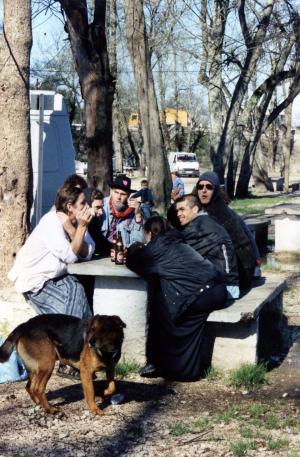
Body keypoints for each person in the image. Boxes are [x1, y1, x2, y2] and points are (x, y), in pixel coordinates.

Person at [126, 216, 227, 381]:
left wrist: (134, 249)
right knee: (169, 311)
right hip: (218, 288)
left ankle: (183, 371)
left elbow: (135, 262)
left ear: (149, 233)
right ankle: (170, 366)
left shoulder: (157, 248)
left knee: (167, 317)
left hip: (202, 294)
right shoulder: (177, 241)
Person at [8, 185, 95, 318]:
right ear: (70, 207)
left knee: (79, 290)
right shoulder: (51, 222)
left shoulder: (75, 222)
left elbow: (88, 252)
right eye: (83, 203)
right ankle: (73, 334)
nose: (87, 206)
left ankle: (80, 332)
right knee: (75, 296)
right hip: (37, 281)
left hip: (57, 277)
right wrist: (81, 229)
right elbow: (70, 257)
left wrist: (72, 230)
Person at [194, 171, 259, 289]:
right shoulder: (201, 208)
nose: (204, 190)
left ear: (216, 190)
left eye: (209, 187)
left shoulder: (221, 213)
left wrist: (256, 267)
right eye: (200, 186)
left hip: (238, 273)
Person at [175, 194, 240, 299]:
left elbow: (176, 250)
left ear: (195, 209)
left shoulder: (197, 227)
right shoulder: (207, 220)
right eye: (177, 210)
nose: (178, 214)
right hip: (229, 284)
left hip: (224, 288)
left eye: (182, 209)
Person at [101, 175, 144, 248]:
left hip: (121, 254)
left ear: (129, 195)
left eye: (123, 194)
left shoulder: (132, 211)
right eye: (116, 192)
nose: (119, 197)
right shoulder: (101, 207)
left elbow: (138, 242)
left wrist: (138, 215)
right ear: (111, 191)